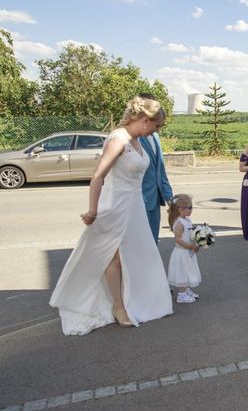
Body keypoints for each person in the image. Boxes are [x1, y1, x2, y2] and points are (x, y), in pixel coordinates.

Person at [49, 96, 173, 335]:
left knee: (137, 256)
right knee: (113, 258)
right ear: (145, 120)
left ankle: (134, 299)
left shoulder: (137, 140)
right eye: (156, 125)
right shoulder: (118, 140)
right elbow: (97, 176)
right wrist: (93, 210)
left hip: (134, 205)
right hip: (114, 206)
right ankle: (118, 306)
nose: (157, 131)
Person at [138, 93, 173, 244]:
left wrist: (170, 198)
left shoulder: (155, 136)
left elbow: (160, 169)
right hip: (139, 200)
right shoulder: (132, 138)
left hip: (155, 199)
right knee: (140, 245)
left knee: (152, 243)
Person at [167, 194, 201, 304]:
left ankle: (186, 291)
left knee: (187, 271)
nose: (191, 209)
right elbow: (178, 239)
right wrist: (191, 246)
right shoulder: (180, 223)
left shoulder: (186, 220)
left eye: (191, 207)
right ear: (180, 209)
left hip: (188, 252)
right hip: (182, 252)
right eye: (189, 207)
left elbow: (189, 234)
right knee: (182, 272)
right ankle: (181, 295)